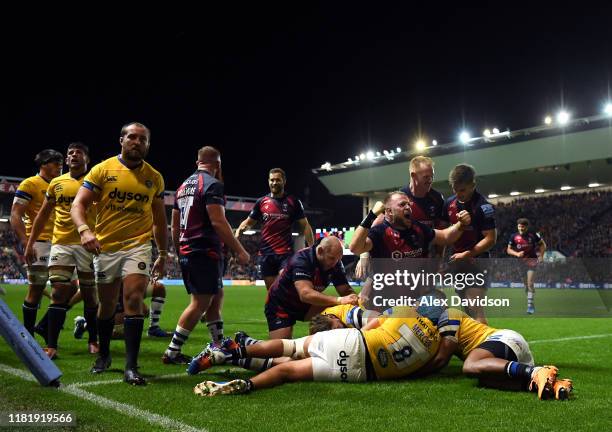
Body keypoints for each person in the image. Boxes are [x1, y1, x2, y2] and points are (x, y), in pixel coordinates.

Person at [71, 122, 168, 385]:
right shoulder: (102, 170)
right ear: (122, 140)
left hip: (138, 245)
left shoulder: (155, 178)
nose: (137, 142)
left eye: (143, 139)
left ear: (148, 145)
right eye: (132, 137)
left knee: (134, 300)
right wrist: (84, 230)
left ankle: (131, 366)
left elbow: (160, 220)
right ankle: (104, 356)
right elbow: (78, 204)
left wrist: (164, 252)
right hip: (105, 247)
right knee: (106, 305)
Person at [189, 310, 440, 396]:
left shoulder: (404, 311)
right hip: (363, 372)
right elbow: (429, 367)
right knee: (286, 370)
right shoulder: (436, 342)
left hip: (356, 342)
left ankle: (233, 351)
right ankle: (247, 385)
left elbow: (372, 324)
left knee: (292, 348)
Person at [162, 146, 250, 365]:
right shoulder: (213, 185)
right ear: (218, 164)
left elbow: (174, 226)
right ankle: (172, 352)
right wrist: (239, 249)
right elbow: (218, 221)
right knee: (199, 303)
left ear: (198, 162)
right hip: (203, 250)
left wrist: (179, 249)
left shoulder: (182, 187)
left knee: (216, 295)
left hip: (188, 250)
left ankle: (219, 345)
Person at [24, 143, 99, 358]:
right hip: (61, 243)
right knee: (58, 292)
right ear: (67, 160)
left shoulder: (95, 181)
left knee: (89, 295)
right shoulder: (56, 183)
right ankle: (52, 346)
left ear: (87, 159)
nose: (74, 155)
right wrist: (30, 243)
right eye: (70, 153)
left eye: (79, 153)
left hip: (87, 243)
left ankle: (93, 340)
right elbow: (43, 215)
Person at [415, 307, 573, 400]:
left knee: (470, 367)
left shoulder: (448, 316)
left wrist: (408, 372)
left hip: (504, 339)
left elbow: (440, 360)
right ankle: (553, 385)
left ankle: (534, 371)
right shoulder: (444, 321)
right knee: (485, 379)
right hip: (505, 350)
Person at [349, 191, 471, 304]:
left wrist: (461, 224)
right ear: (389, 211)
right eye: (402, 204)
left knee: (439, 301)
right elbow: (355, 248)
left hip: (413, 301)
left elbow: (445, 237)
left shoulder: (418, 229)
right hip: (384, 303)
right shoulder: (380, 232)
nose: (408, 207)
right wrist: (371, 215)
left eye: (409, 204)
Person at [355, 156, 446, 280]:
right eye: (426, 177)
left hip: (423, 260)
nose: (430, 180)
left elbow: (442, 231)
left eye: (432, 176)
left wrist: (439, 258)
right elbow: (373, 230)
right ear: (414, 176)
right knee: (367, 294)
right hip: (395, 260)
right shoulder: (398, 198)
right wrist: (364, 256)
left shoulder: (437, 199)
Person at [11, 149, 63, 335]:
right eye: (55, 162)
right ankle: (28, 336)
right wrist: (26, 242)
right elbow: (15, 215)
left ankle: (42, 326)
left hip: (61, 243)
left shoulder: (61, 185)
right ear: (43, 164)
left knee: (68, 289)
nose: (60, 166)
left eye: (60, 162)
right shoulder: (30, 184)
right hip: (39, 243)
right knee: (36, 289)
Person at [264, 236, 358, 339]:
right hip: (281, 305)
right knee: (281, 350)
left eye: (338, 259)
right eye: (331, 258)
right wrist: (339, 300)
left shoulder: (335, 264)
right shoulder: (302, 259)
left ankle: (332, 345)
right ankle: (249, 343)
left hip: (306, 306)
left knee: (344, 309)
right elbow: (305, 294)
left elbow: (345, 289)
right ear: (320, 251)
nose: (335, 263)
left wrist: (357, 301)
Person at [235, 168, 314, 290]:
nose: (274, 183)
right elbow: (248, 222)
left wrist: (311, 248)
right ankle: (274, 309)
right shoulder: (261, 202)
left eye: (278, 180)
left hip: (285, 254)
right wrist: (239, 231)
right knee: (272, 291)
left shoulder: (293, 202)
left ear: (284, 181)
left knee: (285, 286)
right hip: (266, 254)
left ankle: (288, 307)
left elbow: (305, 225)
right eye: (272, 180)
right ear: (268, 181)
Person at [442, 164, 496, 324]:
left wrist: (468, 254)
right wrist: (442, 262)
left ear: (473, 185)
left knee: (475, 305)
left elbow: (491, 239)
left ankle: (487, 346)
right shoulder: (449, 204)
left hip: (477, 261)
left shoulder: (483, 207)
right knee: (467, 308)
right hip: (457, 263)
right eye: (455, 189)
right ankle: (474, 344)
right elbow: (445, 236)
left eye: (462, 190)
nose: (458, 194)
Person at [507, 218, 546, 314]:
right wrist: (516, 254)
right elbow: (508, 250)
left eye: (523, 227)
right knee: (526, 286)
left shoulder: (533, 235)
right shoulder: (514, 236)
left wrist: (541, 256)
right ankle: (530, 298)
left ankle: (530, 306)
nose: (521, 228)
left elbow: (543, 245)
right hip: (520, 263)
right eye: (519, 226)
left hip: (532, 261)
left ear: (526, 227)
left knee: (530, 283)